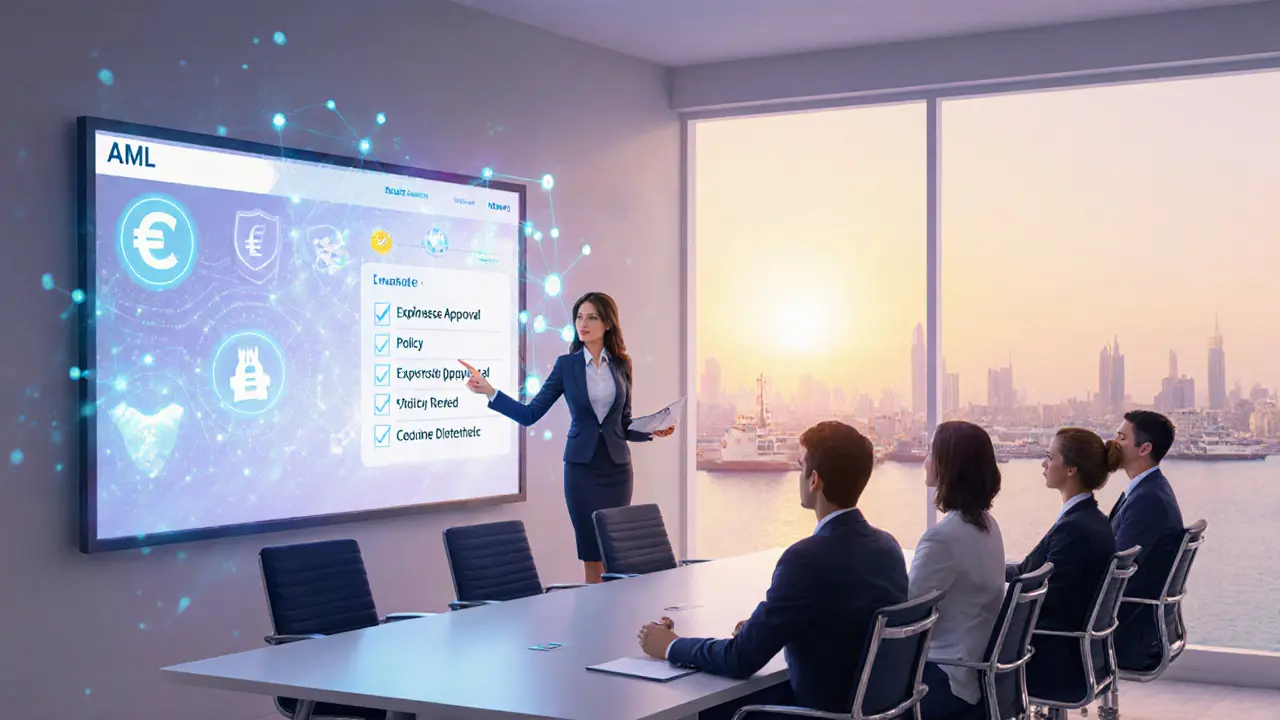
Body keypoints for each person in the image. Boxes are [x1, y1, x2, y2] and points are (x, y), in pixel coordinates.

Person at [636, 421, 907, 720]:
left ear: (814, 479)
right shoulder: (888, 548)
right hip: (873, 710)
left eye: (800, 464)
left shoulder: (804, 560)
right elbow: (844, 619)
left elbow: (740, 660)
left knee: (709, 709)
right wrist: (766, 628)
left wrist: (671, 646)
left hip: (820, 712)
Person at [462, 292, 673, 584]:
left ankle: (615, 621)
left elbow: (621, 425)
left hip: (617, 471)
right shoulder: (566, 366)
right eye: (579, 317)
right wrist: (490, 391)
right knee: (591, 555)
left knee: (616, 553)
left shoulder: (622, 365)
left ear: (608, 324)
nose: (583, 324)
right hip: (581, 472)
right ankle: (594, 624)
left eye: (592, 317)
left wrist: (651, 429)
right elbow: (530, 414)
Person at [1008, 428, 1118, 703]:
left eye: (1049, 457)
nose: (1043, 465)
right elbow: (1035, 573)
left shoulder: (1075, 529)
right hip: (1078, 653)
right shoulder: (1091, 519)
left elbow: (1044, 597)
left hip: (1051, 658)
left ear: (1071, 470)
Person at [909, 421, 1005, 719]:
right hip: (974, 672)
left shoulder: (943, 536)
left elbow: (905, 613)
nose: (925, 461)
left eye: (930, 452)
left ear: (948, 465)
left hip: (945, 678)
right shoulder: (988, 525)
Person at [1109, 410, 1184, 669]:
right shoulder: (1147, 490)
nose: (1113, 443)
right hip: (1138, 622)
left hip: (1128, 633)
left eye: (1121, 437)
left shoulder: (1148, 500)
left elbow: (1115, 571)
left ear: (1144, 449)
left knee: (1028, 631)